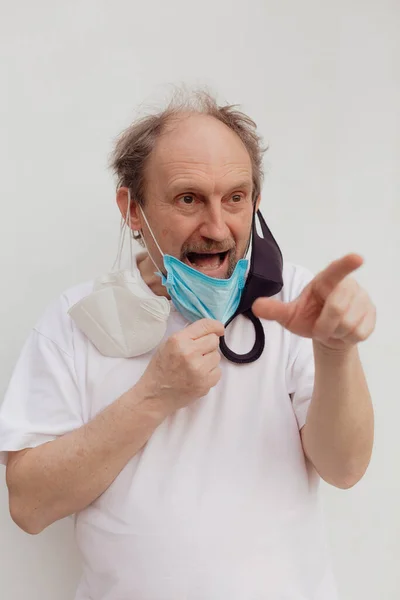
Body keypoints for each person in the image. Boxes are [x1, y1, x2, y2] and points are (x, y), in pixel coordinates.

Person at [0, 91, 375, 600]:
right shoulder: (75, 322)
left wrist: (335, 352)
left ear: (255, 203)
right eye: (188, 198)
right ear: (132, 209)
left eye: (235, 198)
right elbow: (29, 505)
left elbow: (345, 468)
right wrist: (153, 395)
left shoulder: (299, 305)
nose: (217, 227)